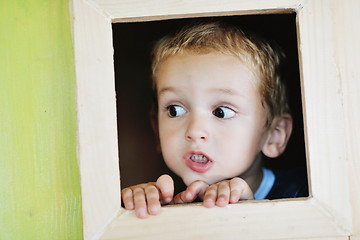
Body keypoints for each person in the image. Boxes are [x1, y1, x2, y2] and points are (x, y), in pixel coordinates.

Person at [121, 21, 308, 218]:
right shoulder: (164, 199)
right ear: (156, 129)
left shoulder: (306, 194)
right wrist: (139, 214)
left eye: (221, 112)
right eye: (175, 110)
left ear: (273, 136)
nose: (194, 131)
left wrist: (251, 217)